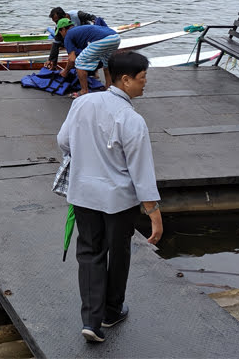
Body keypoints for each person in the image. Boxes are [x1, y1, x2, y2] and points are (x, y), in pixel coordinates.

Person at [57, 51, 163, 344]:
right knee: (118, 253)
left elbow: (63, 141)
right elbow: (141, 171)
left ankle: (91, 320)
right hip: (118, 200)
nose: (145, 84)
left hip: (83, 194)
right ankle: (111, 310)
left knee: (89, 254)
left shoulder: (82, 102)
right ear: (126, 80)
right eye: (142, 79)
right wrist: (154, 211)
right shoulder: (131, 119)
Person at [56, 18, 120, 96]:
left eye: (59, 32)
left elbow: (72, 59)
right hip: (116, 37)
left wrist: (65, 71)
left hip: (103, 40)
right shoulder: (79, 30)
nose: (61, 35)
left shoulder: (68, 35)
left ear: (63, 29)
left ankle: (84, 91)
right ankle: (108, 88)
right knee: (106, 64)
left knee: (79, 62)